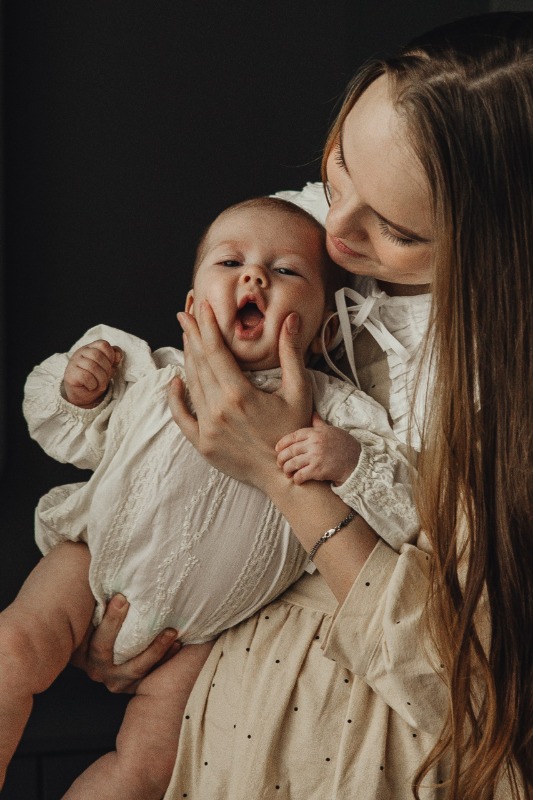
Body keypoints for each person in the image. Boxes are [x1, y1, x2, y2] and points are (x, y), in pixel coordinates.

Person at [71, 12, 532, 800]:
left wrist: (282, 475)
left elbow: (472, 692)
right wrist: (124, 606)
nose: (337, 230)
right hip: (216, 730)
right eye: (339, 168)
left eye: (394, 229)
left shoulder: (501, 390)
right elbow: (148, 455)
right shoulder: (289, 245)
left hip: (373, 762)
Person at [0, 197, 418, 798]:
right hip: (92, 564)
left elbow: (401, 500)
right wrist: (81, 390)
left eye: (286, 272)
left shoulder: (341, 414)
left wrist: (347, 461)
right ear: (194, 306)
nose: (254, 277)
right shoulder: (153, 375)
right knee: (13, 650)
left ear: (326, 328)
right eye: (231, 263)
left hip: (203, 635)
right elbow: (66, 430)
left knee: (145, 770)